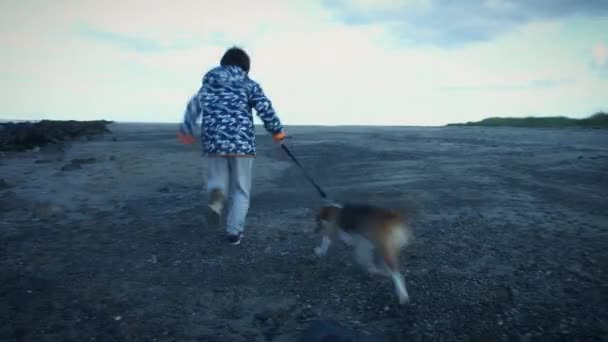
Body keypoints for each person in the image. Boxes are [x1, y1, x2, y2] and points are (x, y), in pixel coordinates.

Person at [177, 46, 286, 245]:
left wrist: (186, 129)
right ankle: (234, 232)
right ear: (245, 66)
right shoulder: (248, 84)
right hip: (242, 144)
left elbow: (193, 106)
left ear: (224, 62)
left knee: (217, 181)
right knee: (240, 189)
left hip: (214, 143)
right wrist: (277, 131)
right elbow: (265, 108)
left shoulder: (209, 84)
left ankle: (217, 200)